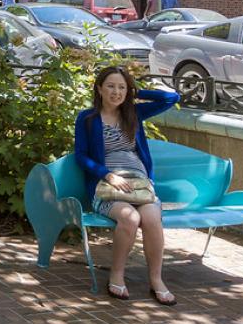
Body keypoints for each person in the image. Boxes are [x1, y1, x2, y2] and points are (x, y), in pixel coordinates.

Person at [74, 67, 179, 305]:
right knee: (129, 218)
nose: (116, 92)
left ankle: (156, 280)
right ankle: (117, 274)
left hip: (140, 184)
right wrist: (107, 174)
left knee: (151, 219)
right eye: (110, 86)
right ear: (99, 89)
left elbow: (171, 98)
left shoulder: (134, 114)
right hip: (108, 184)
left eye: (122, 87)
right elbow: (80, 156)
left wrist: (135, 91)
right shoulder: (87, 119)